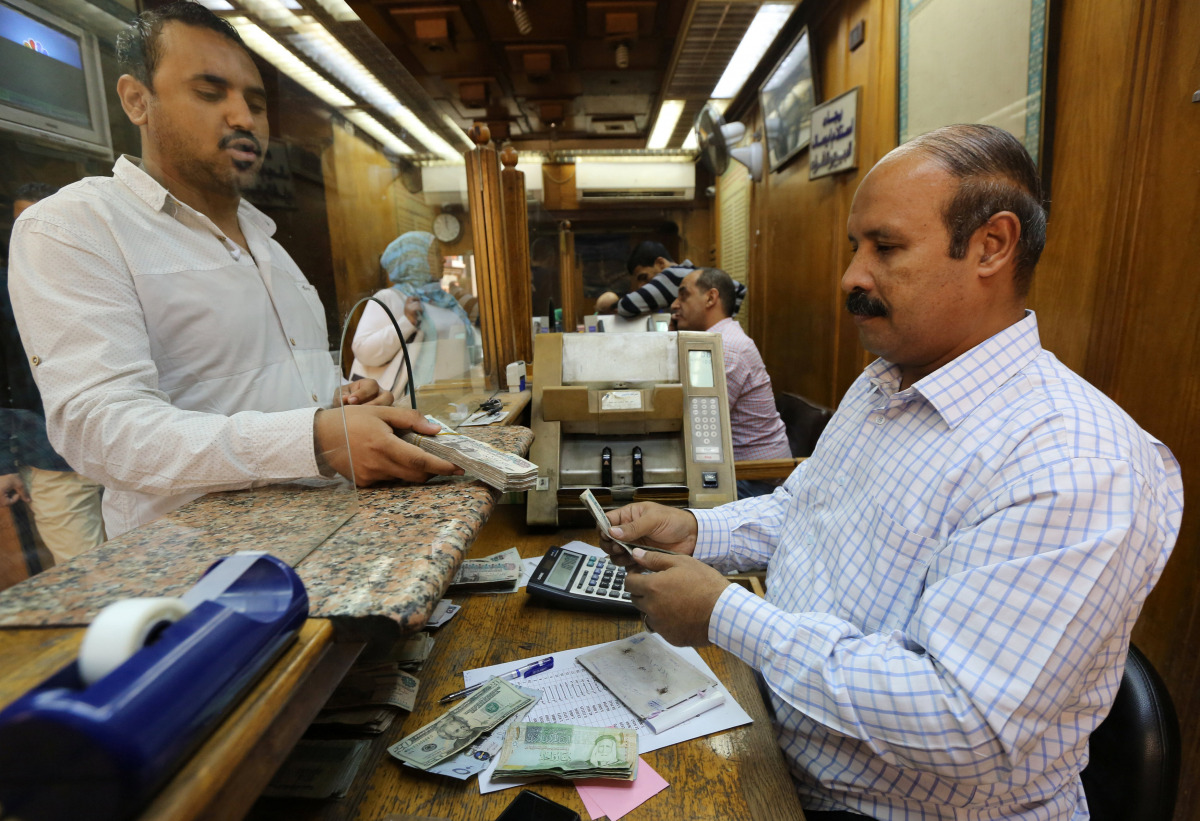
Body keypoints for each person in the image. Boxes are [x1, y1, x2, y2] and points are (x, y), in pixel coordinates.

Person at [599, 124, 1183, 820]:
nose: (851, 275)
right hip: (781, 752)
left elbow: (963, 719)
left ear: (991, 246)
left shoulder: (1075, 461)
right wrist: (699, 530)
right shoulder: (884, 383)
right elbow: (806, 511)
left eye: (887, 247)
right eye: (855, 247)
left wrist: (726, 613)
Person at [8, 2, 458, 539]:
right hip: (198, 576)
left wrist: (341, 400)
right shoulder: (73, 226)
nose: (243, 118)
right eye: (209, 91)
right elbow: (101, 431)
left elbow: (274, 396)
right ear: (136, 100)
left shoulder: (268, 242)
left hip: (328, 542)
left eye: (256, 102)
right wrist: (315, 435)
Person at [2, 183, 106, 565]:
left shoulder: (110, 276)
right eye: (21, 222)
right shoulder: (4, 289)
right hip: (50, 453)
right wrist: (3, 464)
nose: (34, 229)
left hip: (124, 444)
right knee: (86, 572)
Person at [669, 266, 790, 497]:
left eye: (683, 295)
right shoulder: (713, 341)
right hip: (740, 470)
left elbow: (692, 418)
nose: (675, 305)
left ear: (711, 297)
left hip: (755, 479)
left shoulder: (726, 347)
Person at [349, 231, 481, 399]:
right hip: (412, 403)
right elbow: (364, 351)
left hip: (454, 397)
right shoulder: (390, 298)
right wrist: (407, 322)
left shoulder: (446, 301)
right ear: (414, 259)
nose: (442, 259)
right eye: (435, 253)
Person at [617, 241, 747, 320]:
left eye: (644, 277)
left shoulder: (670, 276)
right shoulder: (692, 271)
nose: (641, 285)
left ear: (660, 263)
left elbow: (626, 306)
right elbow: (739, 288)